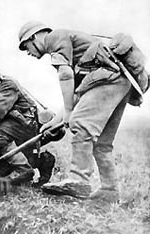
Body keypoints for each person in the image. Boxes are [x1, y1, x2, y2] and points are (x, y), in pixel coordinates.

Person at [18, 21, 133, 202]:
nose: (29, 54)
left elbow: (65, 75)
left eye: (26, 48)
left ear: (33, 37)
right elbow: (76, 97)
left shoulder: (54, 38)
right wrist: (55, 121)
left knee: (80, 123)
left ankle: (78, 180)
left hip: (109, 79)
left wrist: (71, 113)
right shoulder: (77, 55)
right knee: (102, 143)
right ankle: (109, 191)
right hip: (121, 82)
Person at [0, 54, 57, 186]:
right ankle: (43, 161)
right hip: (16, 127)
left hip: (26, 126)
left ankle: (24, 170)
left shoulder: (6, 85)